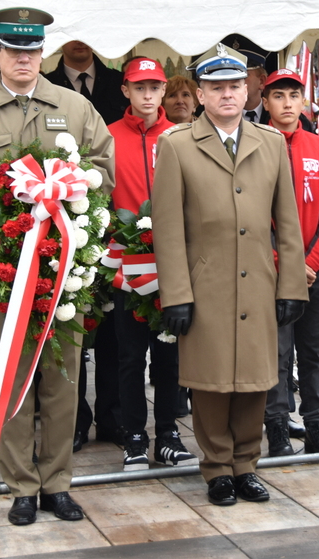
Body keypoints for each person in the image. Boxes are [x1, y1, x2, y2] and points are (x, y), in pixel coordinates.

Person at [0, 8, 114, 526]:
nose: (22, 59)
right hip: (5, 272)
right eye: (12, 50)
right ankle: (20, 484)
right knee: (13, 375)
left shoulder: (74, 106)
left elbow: (103, 165)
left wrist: (75, 202)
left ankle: (57, 482)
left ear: (44, 54)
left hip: (65, 268)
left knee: (63, 375)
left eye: (32, 51)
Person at [152, 43, 308, 506]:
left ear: (249, 91)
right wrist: (176, 293)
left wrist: (291, 285)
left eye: (235, 86)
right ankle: (217, 468)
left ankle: (247, 465)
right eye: (217, 87)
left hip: (258, 282)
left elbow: (288, 221)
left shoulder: (272, 142)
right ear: (200, 94)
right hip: (207, 284)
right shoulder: (177, 144)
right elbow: (168, 226)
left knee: (257, 380)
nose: (227, 95)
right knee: (212, 380)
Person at [105, 57, 196, 471]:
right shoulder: (108, 137)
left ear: (163, 91)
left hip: (174, 262)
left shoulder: (182, 136)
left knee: (171, 353)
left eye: (154, 87)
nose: (147, 95)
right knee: (129, 355)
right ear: (125, 90)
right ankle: (134, 435)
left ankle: (169, 432)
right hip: (126, 264)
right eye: (139, 87)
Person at [44, 39, 124, 450]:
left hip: (108, 224)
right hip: (59, 229)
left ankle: (110, 417)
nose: (78, 45)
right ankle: (74, 420)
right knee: (70, 329)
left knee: (109, 333)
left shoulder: (116, 82)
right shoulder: (43, 84)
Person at [259, 68, 319, 457]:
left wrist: (312, 259)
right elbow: (255, 214)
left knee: (313, 350)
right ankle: (275, 423)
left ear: (303, 101)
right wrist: (285, 262)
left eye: (294, 95)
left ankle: (317, 424)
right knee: (277, 349)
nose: (287, 103)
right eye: (278, 96)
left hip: (317, 266)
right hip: (274, 268)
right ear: (265, 102)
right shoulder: (255, 145)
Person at [44, 40, 128, 125]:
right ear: (62, 39)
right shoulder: (45, 85)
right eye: (73, 37)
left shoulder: (120, 81)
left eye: (85, 36)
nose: (80, 42)